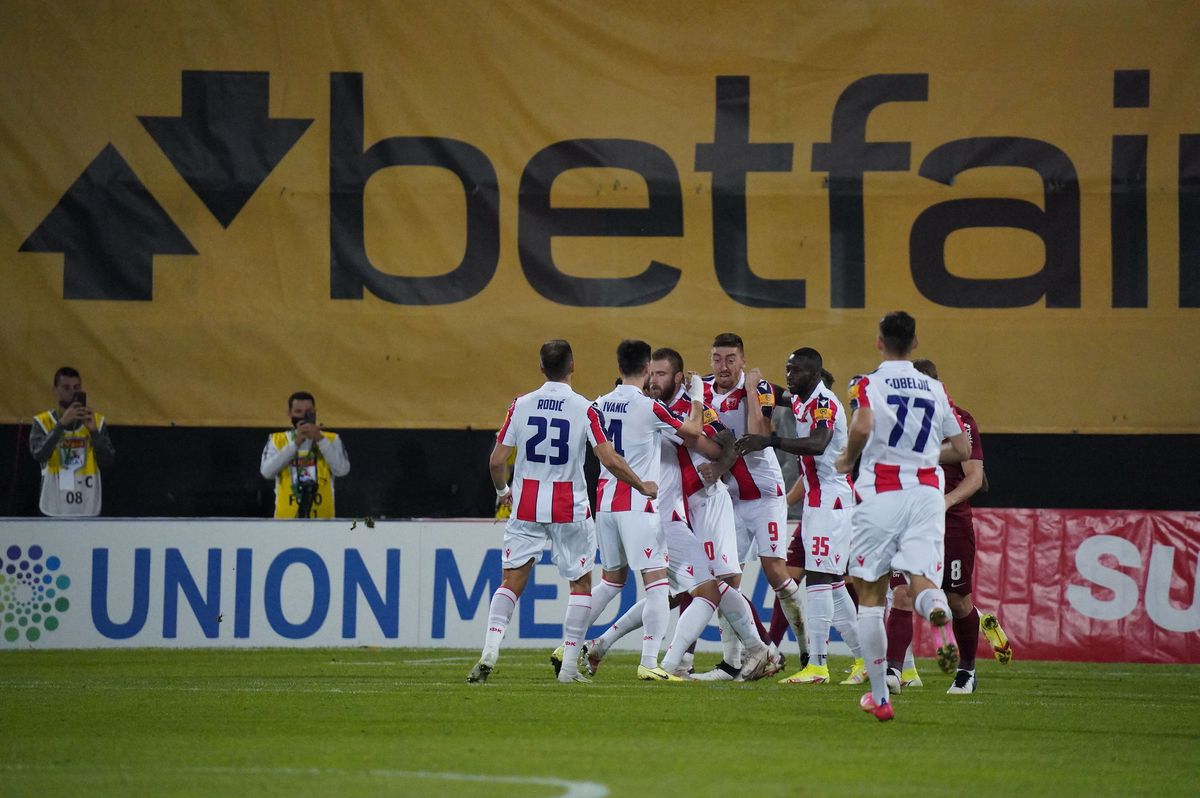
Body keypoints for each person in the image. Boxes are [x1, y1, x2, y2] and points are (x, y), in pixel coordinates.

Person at [469, 339, 657, 685]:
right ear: (573, 366)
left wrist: (503, 491)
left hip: (526, 505)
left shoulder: (521, 404)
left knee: (510, 582)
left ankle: (490, 650)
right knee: (581, 585)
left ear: (541, 368)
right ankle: (568, 669)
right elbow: (609, 458)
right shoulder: (584, 408)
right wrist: (641, 484)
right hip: (569, 506)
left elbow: (497, 461)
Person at [581, 348, 772, 682]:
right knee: (681, 591)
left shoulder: (685, 408)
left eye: (662, 374)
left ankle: (736, 657)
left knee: (714, 584)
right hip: (669, 511)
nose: (654, 380)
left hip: (706, 504)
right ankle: (739, 654)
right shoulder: (649, 408)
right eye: (651, 373)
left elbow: (723, 441)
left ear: (678, 378)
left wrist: (718, 465)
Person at [834, 311, 971, 722]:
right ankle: (937, 614)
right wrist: (927, 454)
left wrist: (847, 458)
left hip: (882, 493)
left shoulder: (866, 383)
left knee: (872, 595)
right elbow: (962, 448)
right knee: (922, 581)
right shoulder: (935, 387)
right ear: (914, 343)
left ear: (879, 342)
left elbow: (862, 427)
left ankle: (880, 697)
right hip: (928, 494)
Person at [563, 339, 704, 681]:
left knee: (611, 582)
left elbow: (599, 452)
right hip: (638, 506)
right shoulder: (649, 407)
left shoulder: (596, 405)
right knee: (657, 585)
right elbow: (693, 433)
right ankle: (649, 661)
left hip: (606, 506)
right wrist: (698, 395)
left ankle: (567, 651)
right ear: (645, 369)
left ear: (618, 366)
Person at [885, 358, 1012, 696]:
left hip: (949, 524)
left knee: (958, 601)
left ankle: (967, 672)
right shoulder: (898, 422)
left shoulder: (959, 421)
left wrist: (944, 502)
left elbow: (975, 478)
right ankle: (894, 671)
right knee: (901, 594)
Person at [738, 348, 865, 685]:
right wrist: (751, 382)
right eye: (787, 369)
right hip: (818, 501)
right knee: (834, 584)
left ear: (812, 374)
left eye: (794, 371)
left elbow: (818, 443)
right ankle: (863, 660)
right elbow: (777, 393)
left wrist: (770, 440)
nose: (789, 376)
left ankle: (818, 665)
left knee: (821, 580)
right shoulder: (800, 399)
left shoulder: (823, 403)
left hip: (831, 502)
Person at [693, 333, 801, 681]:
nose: (722, 366)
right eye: (716, 358)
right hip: (731, 499)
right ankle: (733, 662)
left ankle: (812, 654)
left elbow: (758, 434)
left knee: (775, 573)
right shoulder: (705, 392)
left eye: (730, 359)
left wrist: (753, 392)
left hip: (766, 495)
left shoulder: (761, 387)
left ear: (742, 360)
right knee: (725, 579)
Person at [29, 367, 115, 517]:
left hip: (87, 503)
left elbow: (107, 460)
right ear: (55, 390)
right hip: (54, 504)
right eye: (66, 387)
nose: (72, 392)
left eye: (76, 388)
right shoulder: (43, 421)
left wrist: (94, 432)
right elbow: (39, 454)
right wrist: (61, 424)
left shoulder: (97, 421)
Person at [260, 392, 351, 518]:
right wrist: (295, 444)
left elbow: (342, 470)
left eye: (308, 411)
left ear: (315, 412)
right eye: (298, 411)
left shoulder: (331, 439)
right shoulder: (277, 440)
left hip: (324, 522)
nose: (304, 416)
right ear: (290, 414)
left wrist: (320, 439)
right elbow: (266, 472)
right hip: (285, 523)